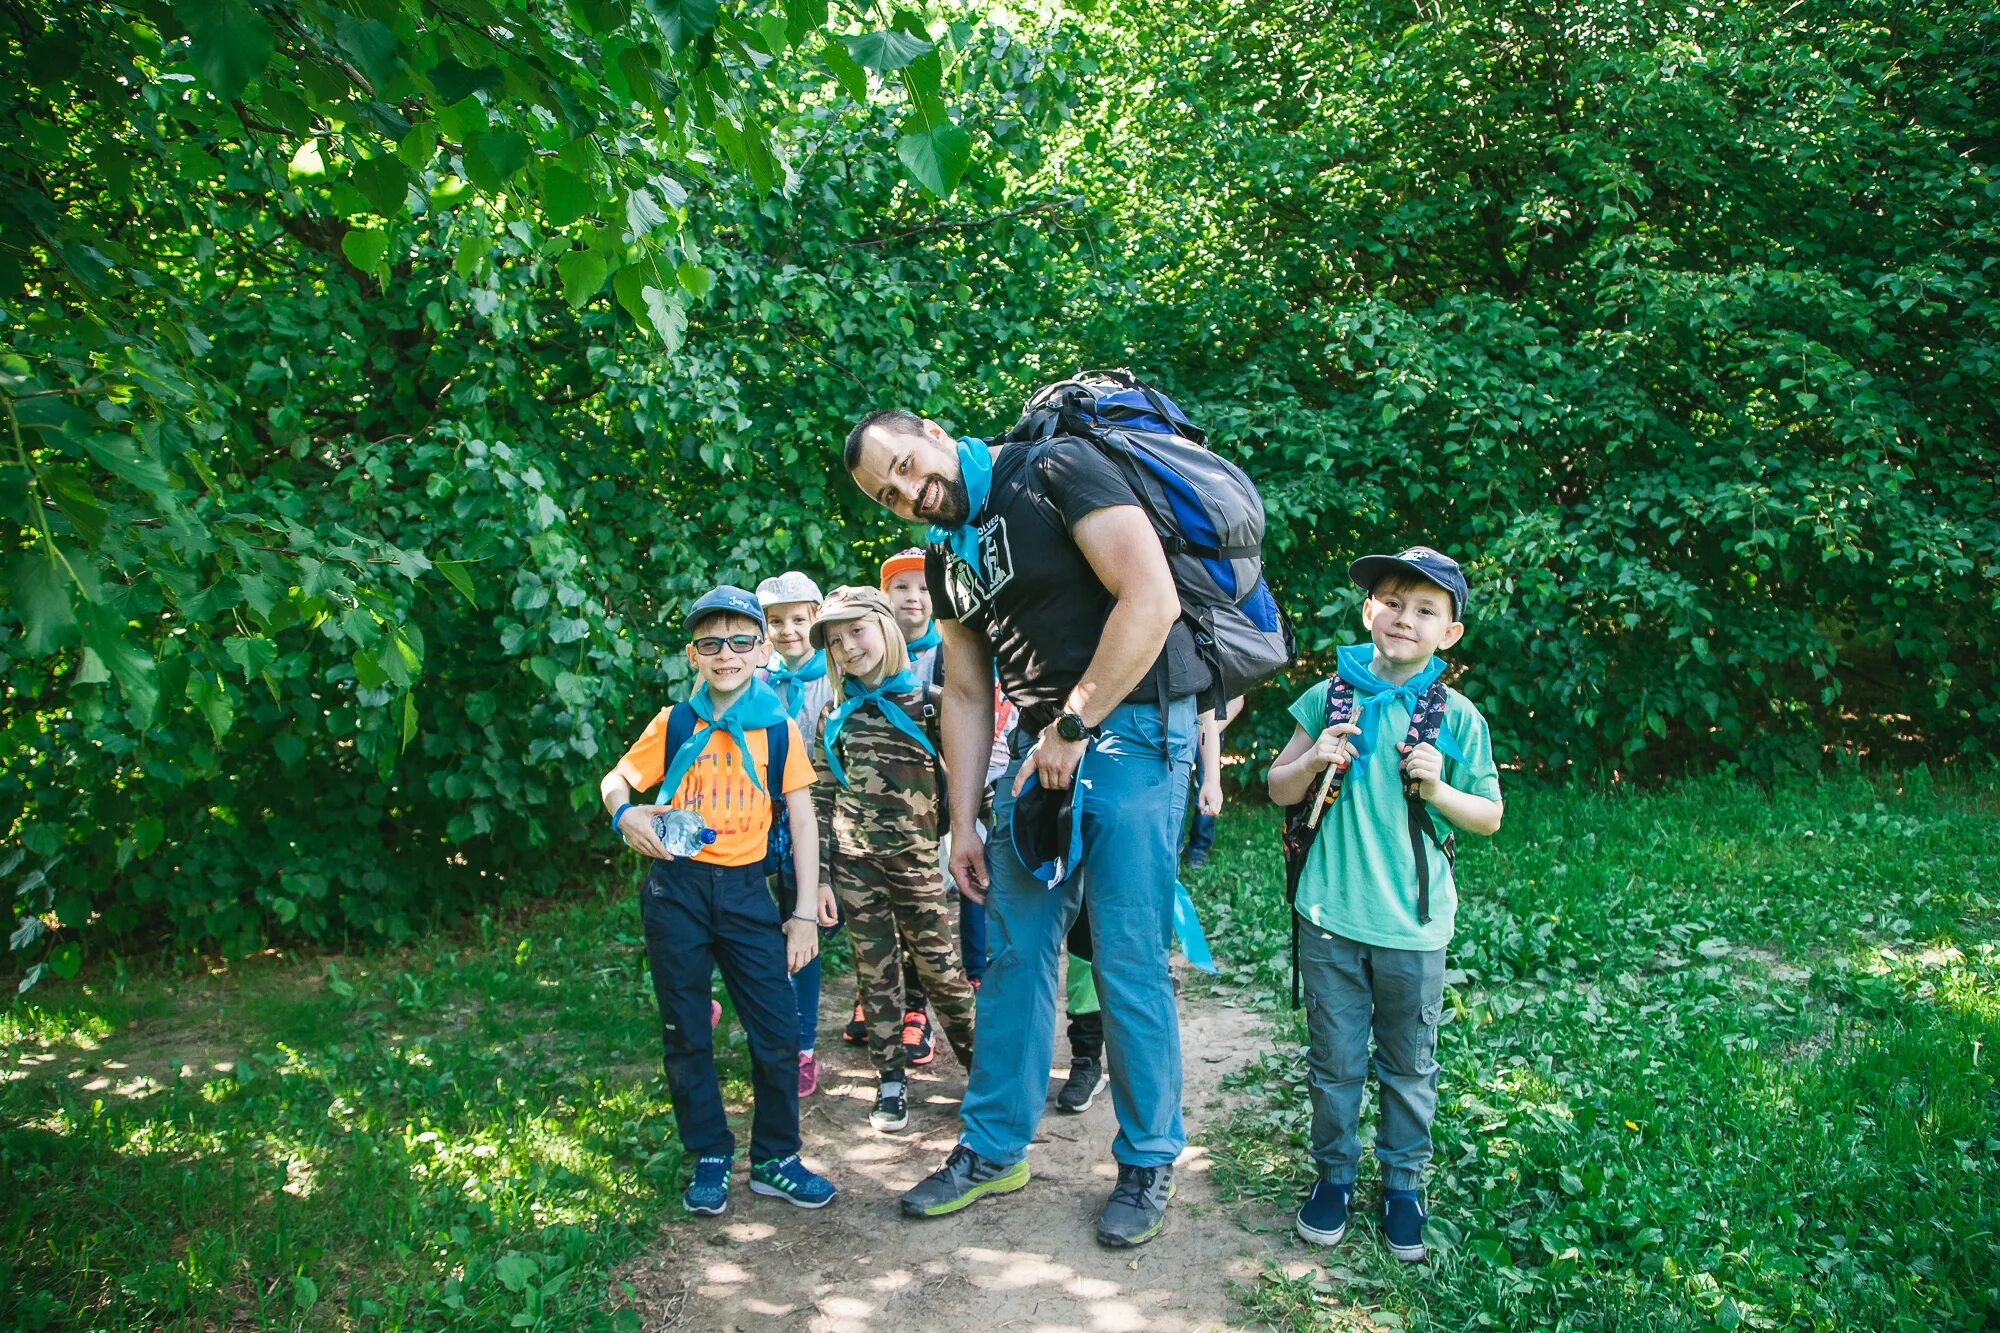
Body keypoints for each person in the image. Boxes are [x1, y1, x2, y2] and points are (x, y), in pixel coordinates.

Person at [845, 409, 1204, 1248]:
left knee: (1126, 952)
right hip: (1041, 748)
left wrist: (1074, 727)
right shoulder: (944, 556)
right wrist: (961, 821)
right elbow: (967, 692)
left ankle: (1149, 1158)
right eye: (885, 493)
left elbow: (1151, 600)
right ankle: (994, 1148)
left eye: (904, 464)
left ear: (932, 430)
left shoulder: (1056, 468)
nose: (906, 490)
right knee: (1011, 951)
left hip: (1137, 727)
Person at [1264, 547, 1503, 1262]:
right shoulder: (1328, 697)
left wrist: (1439, 789)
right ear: (1369, 611)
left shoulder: (1457, 718)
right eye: (1393, 601)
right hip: (1329, 918)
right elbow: (1278, 786)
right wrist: (1311, 762)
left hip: (1413, 927)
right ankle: (1334, 1176)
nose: (1405, 617)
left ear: (1450, 632)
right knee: (1333, 1064)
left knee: (1407, 1065)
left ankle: (1403, 1183)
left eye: (1426, 609)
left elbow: (1488, 814)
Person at [598, 585, 839, 1216]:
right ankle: (708, 1151)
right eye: (710, 643)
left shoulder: (779, 729)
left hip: (744, 894)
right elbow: (617, 778)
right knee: (684, 1029)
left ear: (762, 650)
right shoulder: (675, 721)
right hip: (674, 892)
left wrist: (804, 913)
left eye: (739, 641)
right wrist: (624, 812)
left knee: (777, 1029)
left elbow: (804, 819)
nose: (725, 653)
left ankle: (776, 1158)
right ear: (693, 653)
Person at [808, 585, 977, 1133]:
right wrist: (821, 879)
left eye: (856, 631)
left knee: (941, 971)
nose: (847, 647)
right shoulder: (834, 716)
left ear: (883, 627)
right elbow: (820, 798)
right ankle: (890, 1079)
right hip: (856, 869)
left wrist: (966, 838)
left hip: (919, 865)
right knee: (874, 976)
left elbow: (967, 780)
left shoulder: (932, 702)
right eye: (834, 641)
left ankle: (985, 1073)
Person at [756, 570, 836, 1097]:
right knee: (752, 921)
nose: (788, 632)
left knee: (801, 925)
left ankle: (802, 1044)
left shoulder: (832, 677)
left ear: (815, 620)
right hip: (762, 816)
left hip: (817, 814)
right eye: (776, 622)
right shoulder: (756, 678)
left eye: (798, 620)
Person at [1183, 696, 1243, 870]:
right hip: (1176, 733)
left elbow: (1237, 702)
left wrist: (1207, 735)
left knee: (1206, 785)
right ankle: (1173, 846)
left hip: (1210, 731)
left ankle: (1199, 846)